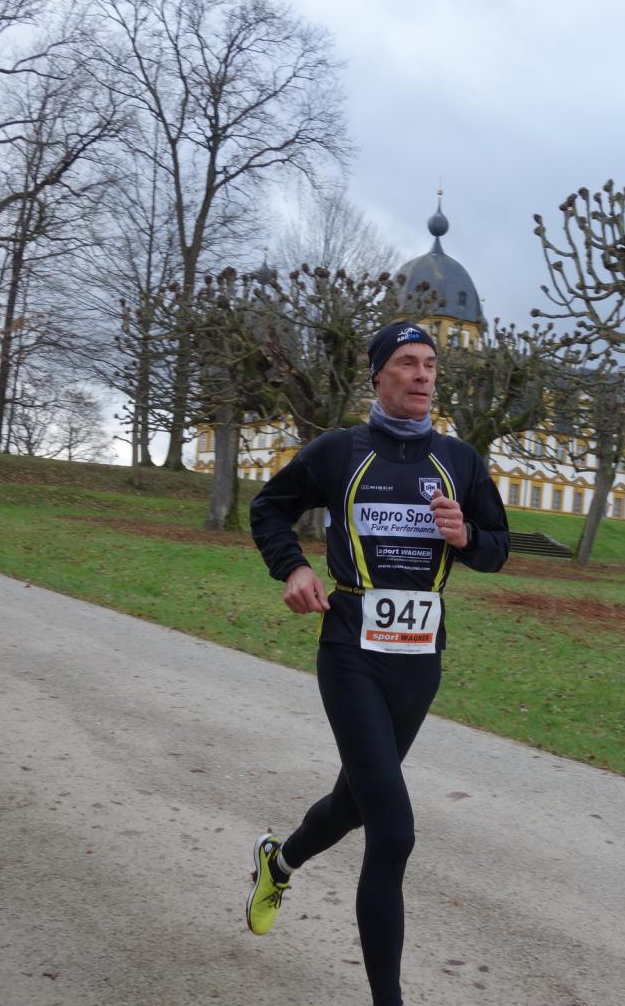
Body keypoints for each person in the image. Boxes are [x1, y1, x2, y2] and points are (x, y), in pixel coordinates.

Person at [246, 320, 509, 1006]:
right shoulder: (341, 452)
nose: (422, 375)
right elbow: (268, 507)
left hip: (420, 662)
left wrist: (468, 535)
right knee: (392, 831)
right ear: (378, 376)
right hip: (350, 653)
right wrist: (293, 567)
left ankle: (278, 862)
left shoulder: (459, 460)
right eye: (407, 363)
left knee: (354, 804)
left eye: (430, 365)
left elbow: (498, 548)